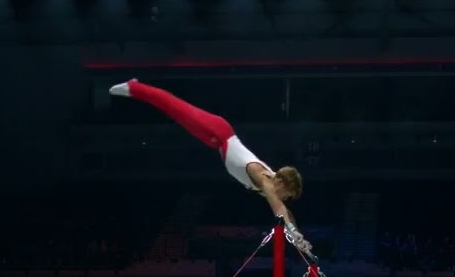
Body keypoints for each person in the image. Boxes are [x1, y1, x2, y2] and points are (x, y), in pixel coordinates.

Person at [109, 79, 311, 252]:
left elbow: (285, 211)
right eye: (288, 193)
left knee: (174, 112)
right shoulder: (264, 179)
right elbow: (278, 209)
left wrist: (298, 235)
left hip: (217, 142)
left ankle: (137, 88)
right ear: (282, 182)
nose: (286, 198)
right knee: (173, 106)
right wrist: (293, 233)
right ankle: (134, 87)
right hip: (219, 131)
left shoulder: (272, 181)